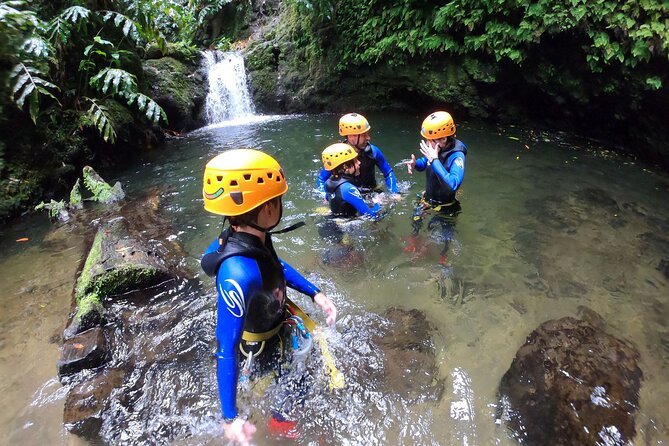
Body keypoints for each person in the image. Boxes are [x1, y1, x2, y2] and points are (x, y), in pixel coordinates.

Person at [200, 149, 337, 444]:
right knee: (290, 388)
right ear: (266, 210)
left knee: (300, 377)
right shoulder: (237, 275)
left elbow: (274, 266)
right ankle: (282, 426)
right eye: (277, 200)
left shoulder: (253, 238)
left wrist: (315, 294)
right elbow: (227, 346)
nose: (280, 205)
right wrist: (230, 418)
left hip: (275, 321)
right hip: (260, 348)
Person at [404, 111, 467, 265]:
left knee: (443, 233)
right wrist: (415, 164)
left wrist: (434, 159)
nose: (426, 142)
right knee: (416, 217)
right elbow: (424, 163)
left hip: (446, 205)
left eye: (429, 139)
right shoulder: (435, 149)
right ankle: (414, 238)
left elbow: (453, 184)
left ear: (443, 139)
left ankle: (444, 254)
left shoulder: (457, 156)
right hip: (428, 198)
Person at [316, 113, 399, 197]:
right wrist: (325, 196)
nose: (368, 138)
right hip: (348, 194)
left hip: (371, 191)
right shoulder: (337, 156)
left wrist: (394, 193)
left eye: (368, 134)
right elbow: (321, 179)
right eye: (364, 135)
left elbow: (388, 173)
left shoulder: (374, 151)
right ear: (351, 136)